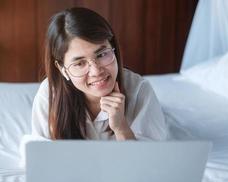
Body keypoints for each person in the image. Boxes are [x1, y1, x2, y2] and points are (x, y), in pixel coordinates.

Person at [31, 7, 168, 141]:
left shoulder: (139, 90)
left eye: (102, 54)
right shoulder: (49, 94)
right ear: (62, 70)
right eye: (79, 63)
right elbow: (42, 156)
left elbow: (148, 161)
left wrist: (121, 128)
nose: (96, 72)